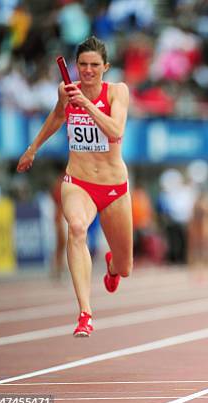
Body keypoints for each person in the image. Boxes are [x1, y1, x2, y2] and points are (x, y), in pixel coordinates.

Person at [17, 36, 132, 337]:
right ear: (76, 65)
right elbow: (57, 116)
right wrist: (33, 148)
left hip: (113, 187)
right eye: (83, 64)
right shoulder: (66, 91)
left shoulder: (117, 92)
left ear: (105, 67)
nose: (88, 70)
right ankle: (85, 313)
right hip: (78, 181)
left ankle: (112, 267)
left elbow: (116, 130)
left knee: (126, 266)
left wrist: (87, 105)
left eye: (95, 65)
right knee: (77, 228)